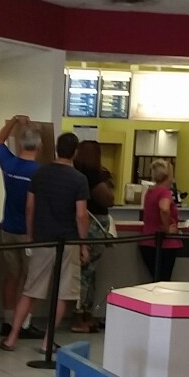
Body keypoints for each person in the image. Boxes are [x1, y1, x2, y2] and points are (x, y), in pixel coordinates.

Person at [2, 132, 89, 351]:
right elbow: (81, 215)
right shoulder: (79, 179)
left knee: (30, 290)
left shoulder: (39, 174)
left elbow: (29, 207)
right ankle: (47, 341)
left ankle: (12, 337)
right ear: (75, 152)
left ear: (57, 149)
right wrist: (84, 244)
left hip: (41, 239)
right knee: (63, 293)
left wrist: (31, 235)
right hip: (67, 241)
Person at [0, 114, 41, 339]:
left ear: (20, 144)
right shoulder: (38, 172)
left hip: (7, 229)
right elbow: (34, 206)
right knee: (31, 280)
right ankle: (24, 324)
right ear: (39, 146)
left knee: (12, 276)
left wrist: (13, 121)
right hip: (28, 233)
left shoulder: (9, 164)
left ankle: (7, 320)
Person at [70, 140, 115, 331]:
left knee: (88, 273)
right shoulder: (93, 177)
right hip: (93, 228)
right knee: (86, 274)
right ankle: (79, 316)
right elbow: (109, 199)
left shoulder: (76, 174)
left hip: (85, 227)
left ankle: (84, 313)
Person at [139, 159, 182, 282]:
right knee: (163, 281)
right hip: (164, 244)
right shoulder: (164, 192)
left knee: (156, 280)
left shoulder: (150, 191)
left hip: (147, 241)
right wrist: (167, 228)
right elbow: (164, 208)